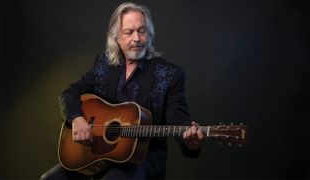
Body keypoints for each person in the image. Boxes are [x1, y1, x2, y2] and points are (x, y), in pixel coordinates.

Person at [41, 2, 205, 179]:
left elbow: (179, 121)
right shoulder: (104, 65)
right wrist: (77, 119)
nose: (136, 38)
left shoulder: (170, 75)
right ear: (116, 37)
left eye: (141, 31)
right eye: (129, 32)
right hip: (94, 157)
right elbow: (68, 95)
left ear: (148, 35)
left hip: (138, 164)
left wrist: (191, 141)